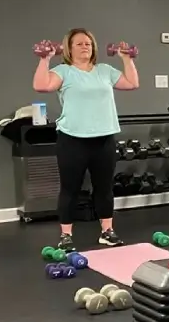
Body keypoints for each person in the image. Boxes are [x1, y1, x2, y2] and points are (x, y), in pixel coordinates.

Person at [32, 30, 139, 251]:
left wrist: (126, 58)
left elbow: (131, 83)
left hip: (104, 138)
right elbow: (42, 86)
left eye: (88, 43)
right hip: (72, 139)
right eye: (79, 43)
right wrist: (45, 59)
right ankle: (66, 235)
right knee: (70, 189)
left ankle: (107, 232)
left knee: (104, 188)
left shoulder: (105, 71)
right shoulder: (64, 71)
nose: (85, 47)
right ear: (69, 48)